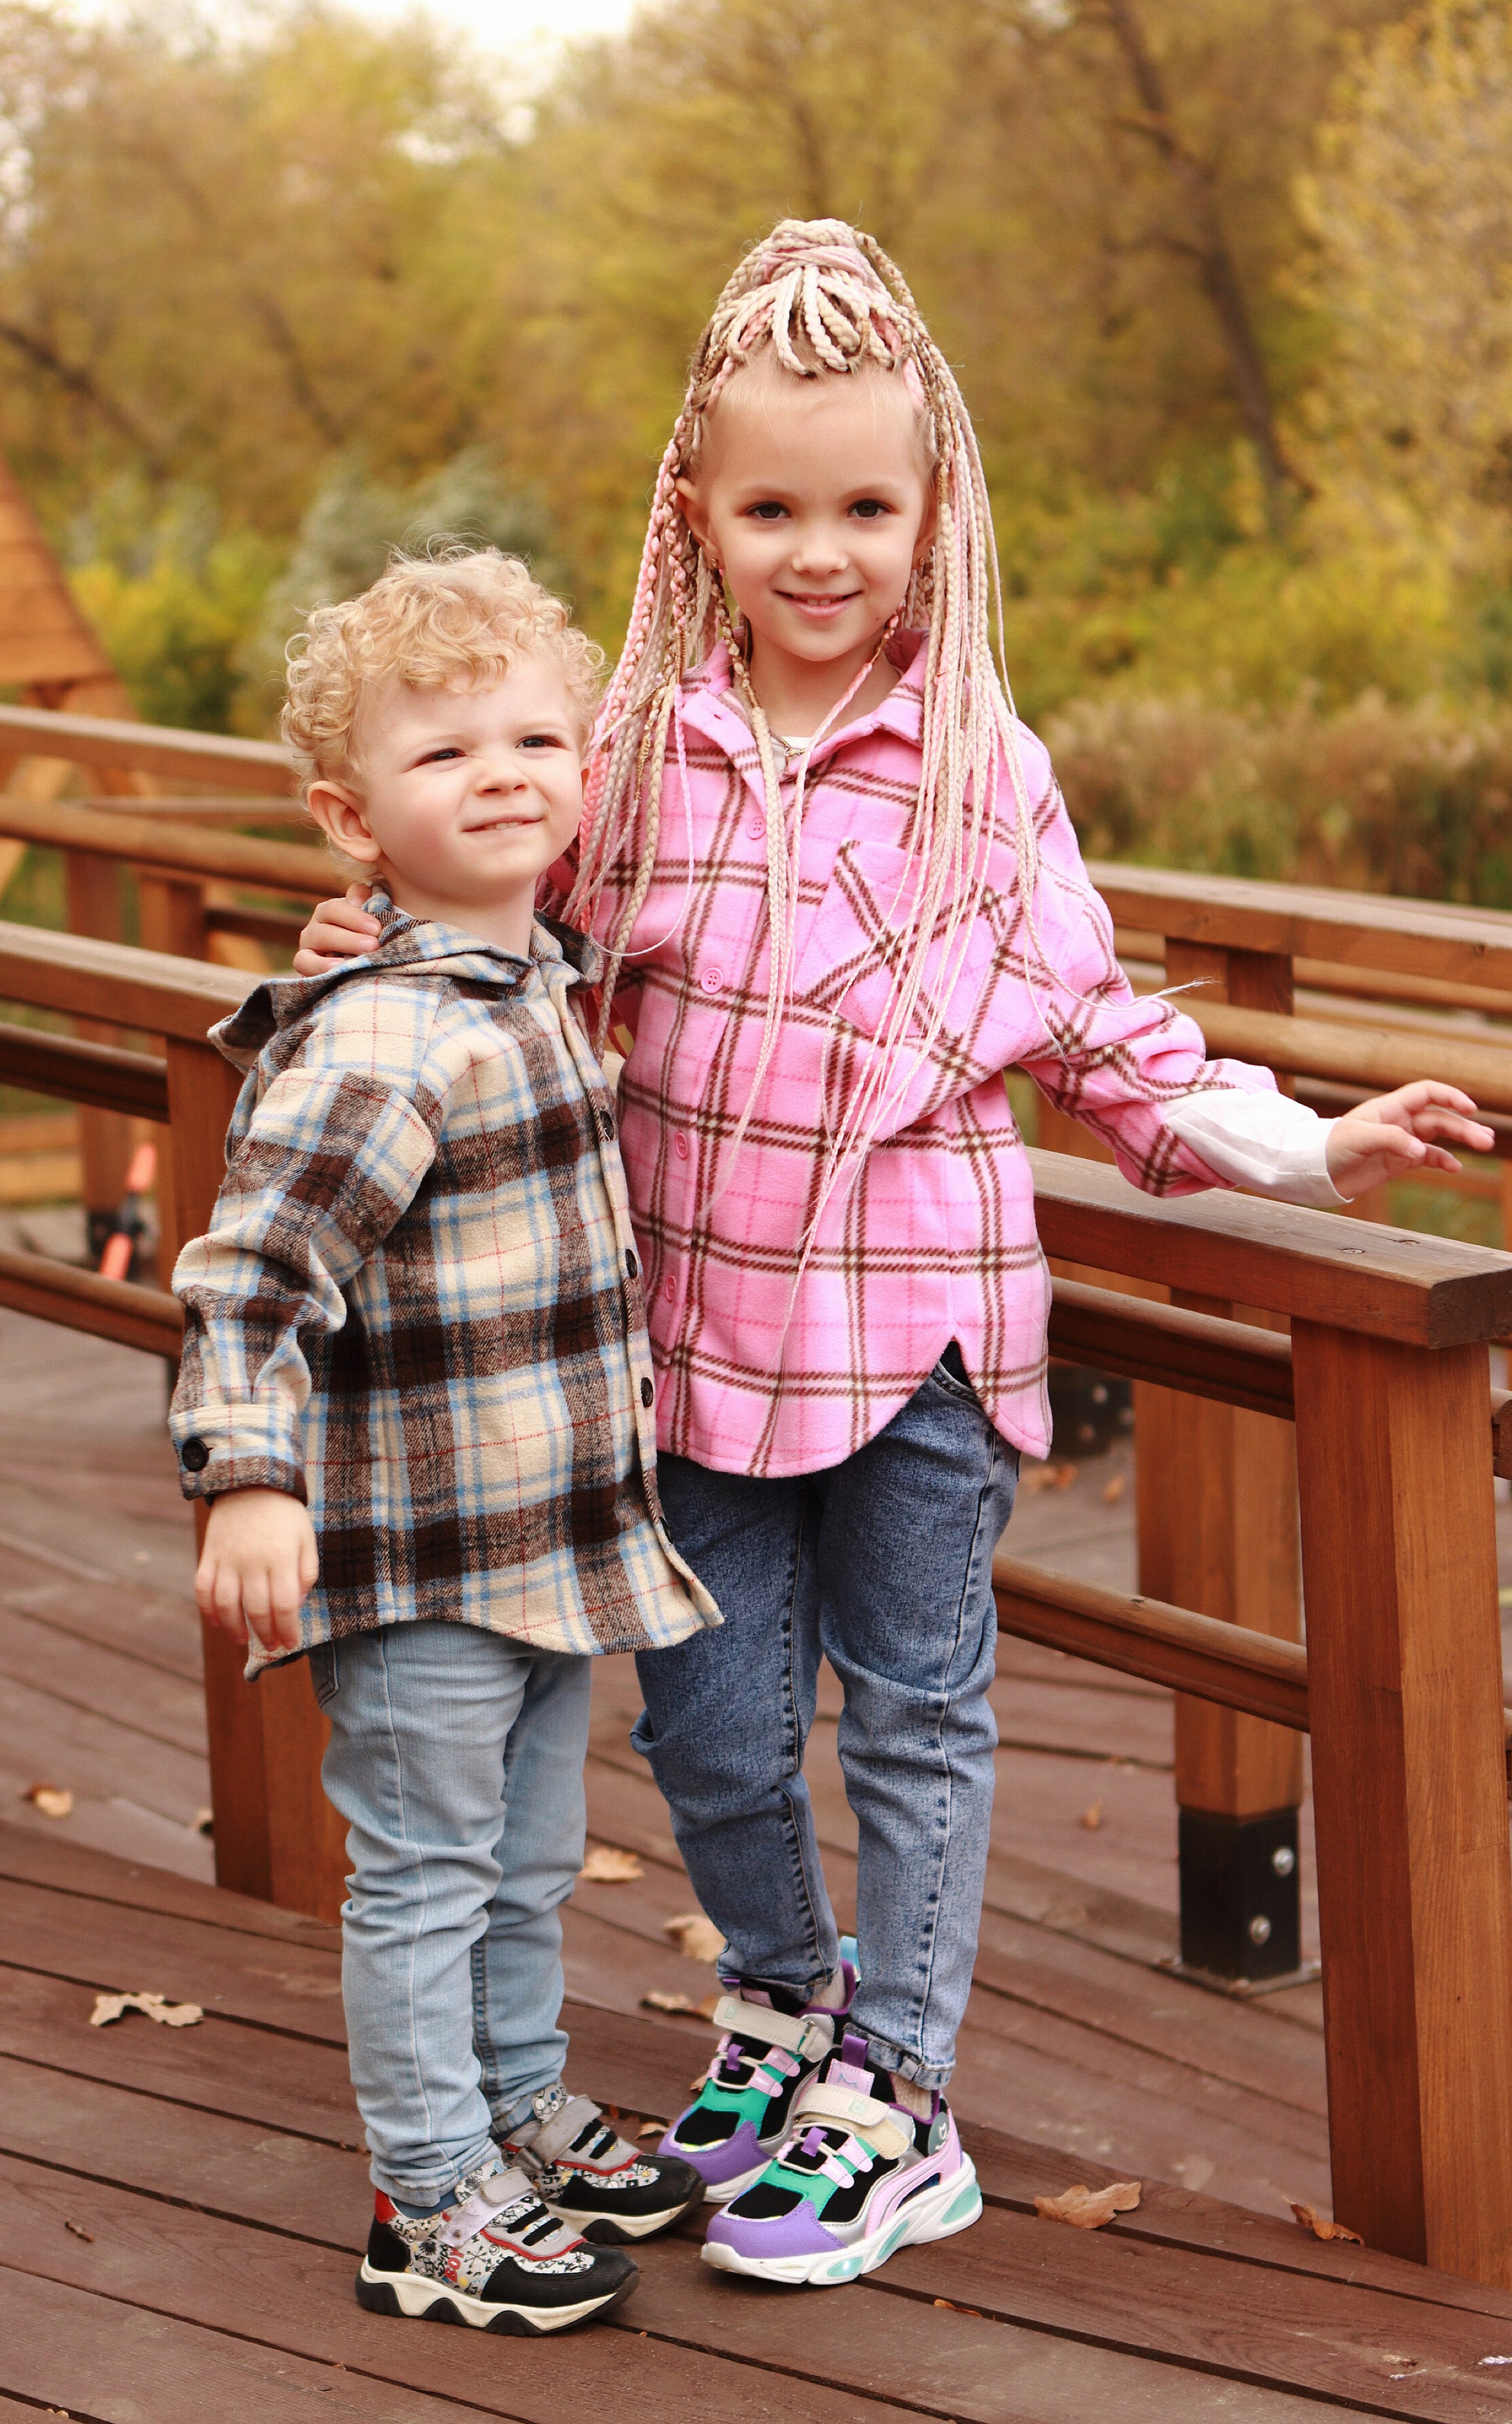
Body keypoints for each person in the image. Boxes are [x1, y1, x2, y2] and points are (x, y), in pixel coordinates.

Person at [294, 220, 1491, 2291]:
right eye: (773, 506)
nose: (820, 549)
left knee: (918, 1719)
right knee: (712, 1726)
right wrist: (368, 948)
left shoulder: (980, 776)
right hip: (696, 1335)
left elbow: (1100, 1033)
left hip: (926, 1332)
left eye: (865, 504)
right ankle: (783, 2000)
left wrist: (1310, 1141)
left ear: (938, 513)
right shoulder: (634, 758)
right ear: (702, 514)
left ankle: (900, 2093)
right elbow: (497, 911)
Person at [170, 551, 718, 2333]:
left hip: (538, 1544)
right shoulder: (392, 1030)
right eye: (445, 753)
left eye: (536, 736)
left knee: (527, 1854)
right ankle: (427, 2193)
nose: (502, 773)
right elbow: (253, 1265)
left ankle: (512, 2100)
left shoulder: (533, 974)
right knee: (421, 1874)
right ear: (348, 816)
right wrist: (247, 1476)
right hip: (414, 1559)